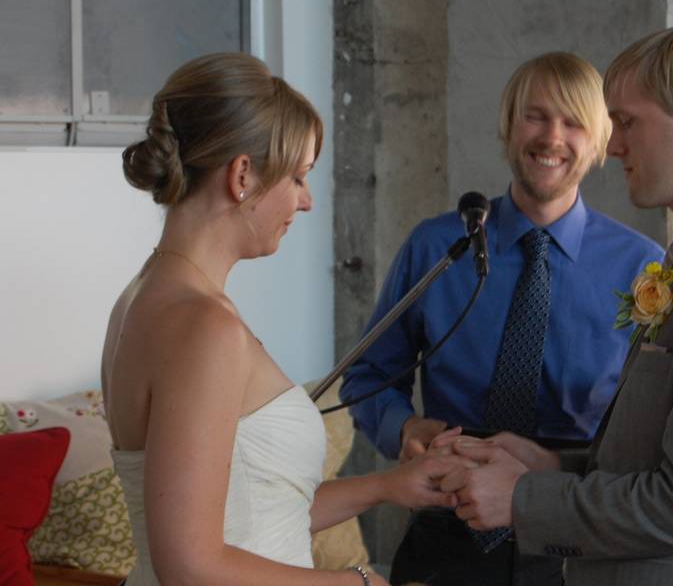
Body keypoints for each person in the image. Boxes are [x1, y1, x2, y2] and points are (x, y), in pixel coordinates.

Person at [442, 25, 673, 585]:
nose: (613, 144)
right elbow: (653, 462)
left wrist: (523, 499)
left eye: (627, 122)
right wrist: (547, 465)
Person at [101, 52, 469, 586]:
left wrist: (389, 485)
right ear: (243, 175)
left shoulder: (144, 298)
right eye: (298, 176)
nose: (307, 200)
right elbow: (191, 564)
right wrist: (357, 583)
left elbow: (254, 513)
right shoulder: (203, 326)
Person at [339, 52, 663, 586]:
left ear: (602, 141)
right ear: (508, 126)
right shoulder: (436, 247)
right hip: (447, 523)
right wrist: (403, 429)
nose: (552, 138)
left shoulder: (643, 270)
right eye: (535, 116)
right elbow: (367, 375)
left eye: (574, 122)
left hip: (576, 537)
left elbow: (652, 424)